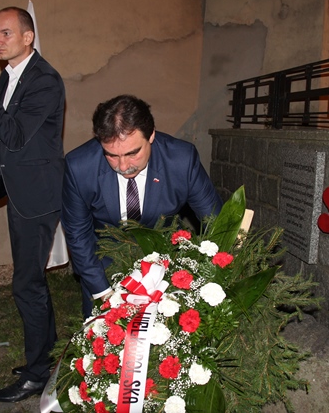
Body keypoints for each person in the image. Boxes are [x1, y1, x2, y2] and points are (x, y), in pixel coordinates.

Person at [0, 6, 64, 402]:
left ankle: (37, 375)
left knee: (26, 285)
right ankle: (46, 356)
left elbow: (16, 135)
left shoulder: (45, 80)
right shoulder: (10, 75)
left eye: (5, 33)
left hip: (37, 197)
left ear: (27, 37)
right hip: (19, 191)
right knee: (31, 282)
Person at [61, 94, 222, 318]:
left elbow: (215, 221)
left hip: (166, 257)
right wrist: (104, 293)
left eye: (132, 153)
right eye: (111, 155)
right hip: (104, 261)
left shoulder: (181, 160)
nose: (123, 166)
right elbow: (77, 233)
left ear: (151, 135)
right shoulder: (79, 166)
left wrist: (210, 272)